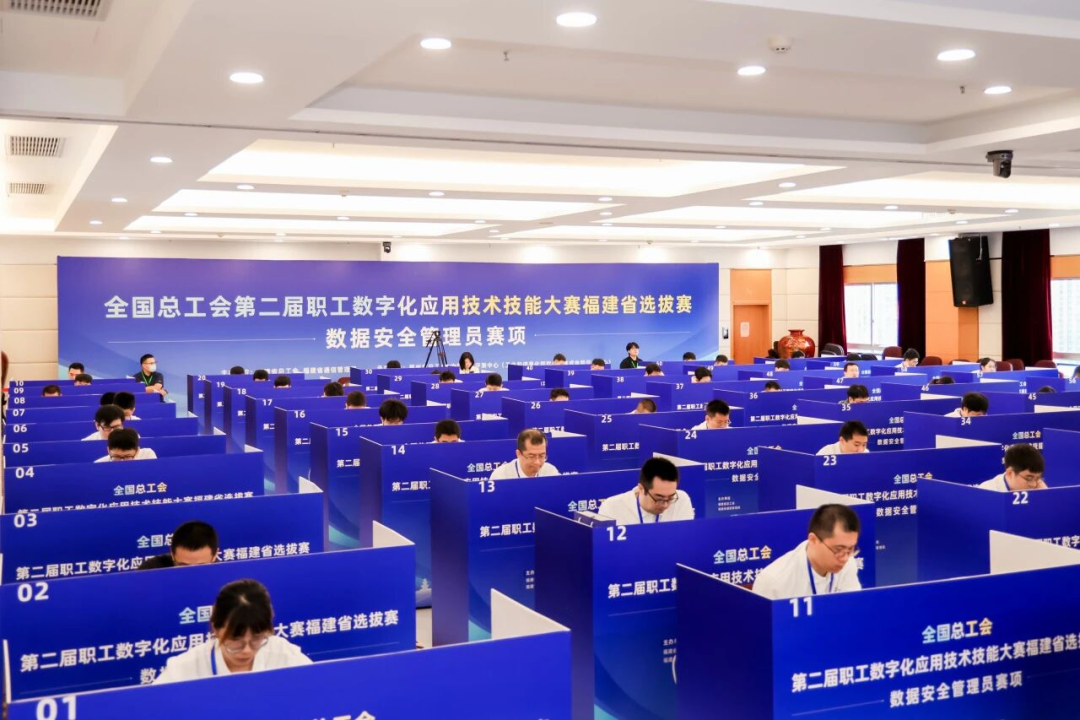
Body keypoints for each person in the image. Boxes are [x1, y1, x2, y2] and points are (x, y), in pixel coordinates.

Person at [154, 579, 311, 683]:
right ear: (215, 628)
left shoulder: (285, 656)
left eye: (256, 639)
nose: (247, 650)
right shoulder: (183, 670)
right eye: (236, 640)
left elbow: (319, 694)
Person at [752, 504, 862, 599]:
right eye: (838, 549)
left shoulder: (848, 563)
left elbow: (853, 608)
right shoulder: (773, 582)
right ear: (813, 540)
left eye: (851, 549)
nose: (845, 558)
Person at [598, 457, 695, 525]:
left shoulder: (681, 500)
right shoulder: (612, 508)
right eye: (659, 498)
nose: (665, 505)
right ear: (641, 489)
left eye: (671, 498)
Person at [140, 521, 219, 569]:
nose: (191, 573)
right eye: (183, 566)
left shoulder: (224, 579)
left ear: (215, 555)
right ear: (172, 554)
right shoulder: (150, 571)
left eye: (201, 566)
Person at [489, 429, 559, 479]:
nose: (537, 462)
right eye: (531, 456)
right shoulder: (501, 476)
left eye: (542, 456)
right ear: (518, 454)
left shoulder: (551, 472)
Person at [978, 444, 1048, 492]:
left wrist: (1046, 495)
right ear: (1010, 473)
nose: (1034, 485)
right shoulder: (986, 492)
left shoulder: (1039, 487)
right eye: (1029, 479)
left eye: (1038, 478)